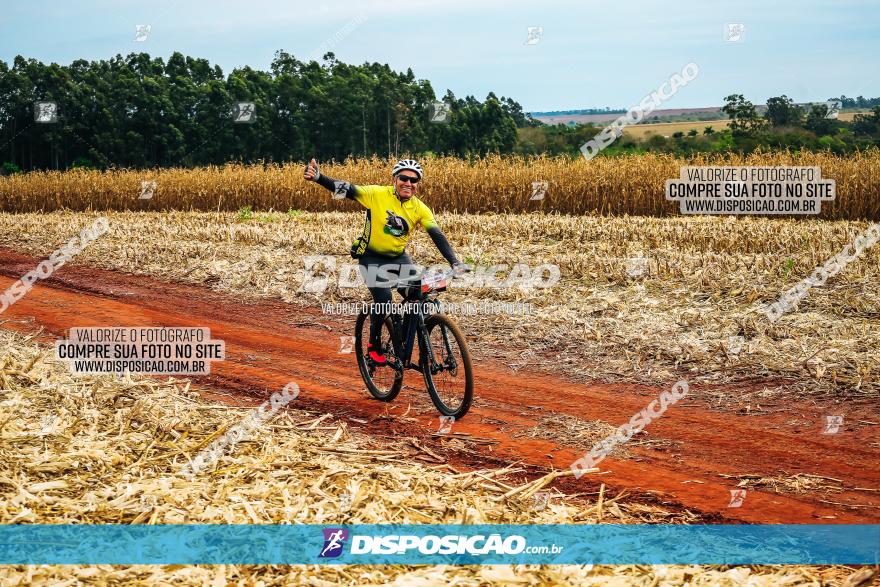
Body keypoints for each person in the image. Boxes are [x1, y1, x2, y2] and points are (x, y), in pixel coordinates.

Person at [304, 158, 468, 364]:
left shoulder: (420, 208)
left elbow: (437, 235)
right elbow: (348, 189)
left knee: (419, 294)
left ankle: (402, 338)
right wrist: (319, 178)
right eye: (404, 178)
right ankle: (374, 345)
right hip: (370, 257)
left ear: (418, 184)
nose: (408, 183)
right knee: (383, 301)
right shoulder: (376, 194)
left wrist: (455, 262)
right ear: (395, 179)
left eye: (414, 180)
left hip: (398, 258)